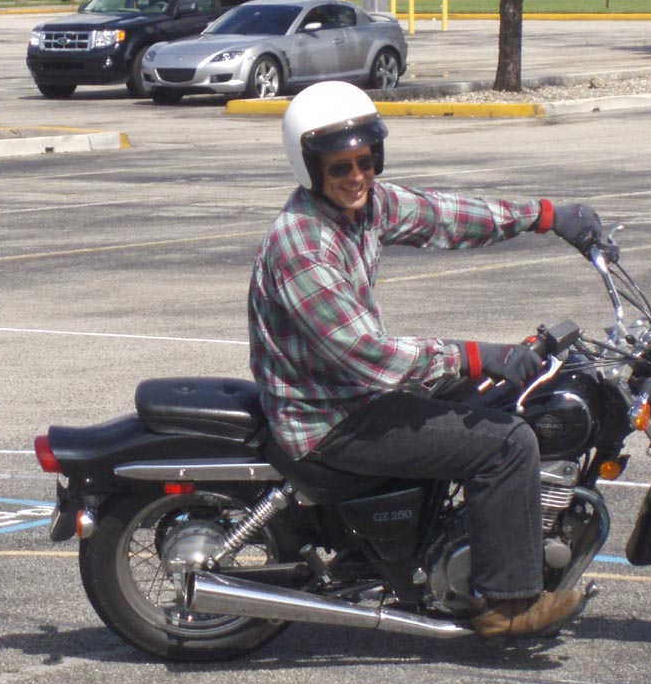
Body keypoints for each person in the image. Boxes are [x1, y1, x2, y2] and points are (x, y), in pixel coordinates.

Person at [248, 81, 609, 640]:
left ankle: (435, 542)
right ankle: (508, 603)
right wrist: (474, 355)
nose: (357, 176)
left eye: (366, 160)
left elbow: (445, 216)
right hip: (329, 418)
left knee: (500, 400)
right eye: (340, 166)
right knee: (507, 443)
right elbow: (366, 354)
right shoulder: (304, 245)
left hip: (355, 396)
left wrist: (543, 216)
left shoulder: (365, 208)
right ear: (310, 167)